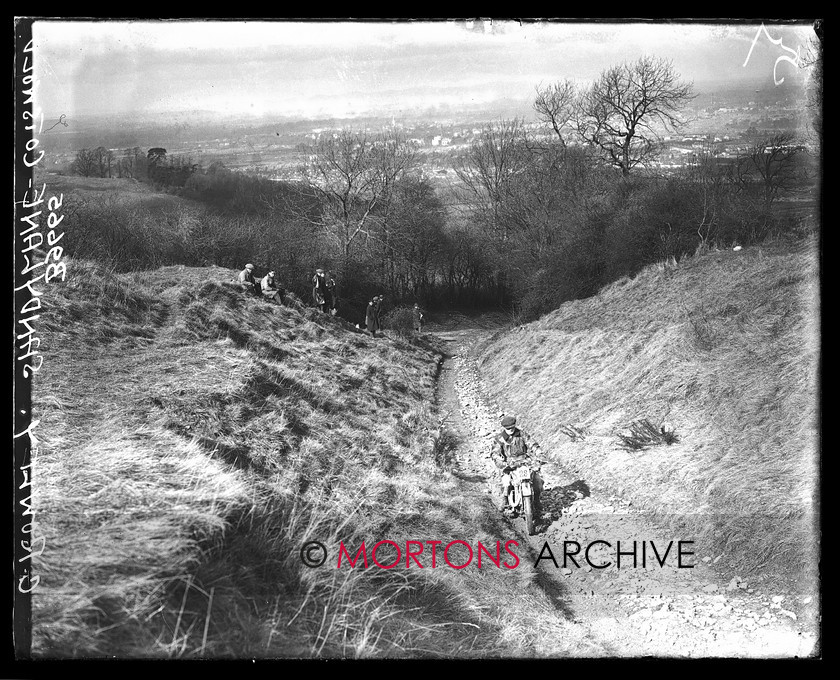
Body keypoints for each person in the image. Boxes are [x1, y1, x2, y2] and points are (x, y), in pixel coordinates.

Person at [490, 415, 544, 515]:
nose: (510, 430)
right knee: (505, 482)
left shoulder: (522, 434)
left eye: (512, 427)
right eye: (508, 428)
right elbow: (495, 453)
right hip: (509, 464)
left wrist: (539, 453)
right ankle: (505, 501)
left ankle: (536, 501)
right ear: (504, 428)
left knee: (537, 481)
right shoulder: (499, 438)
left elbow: (532, 444)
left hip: (525, 462)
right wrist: (501, 463)